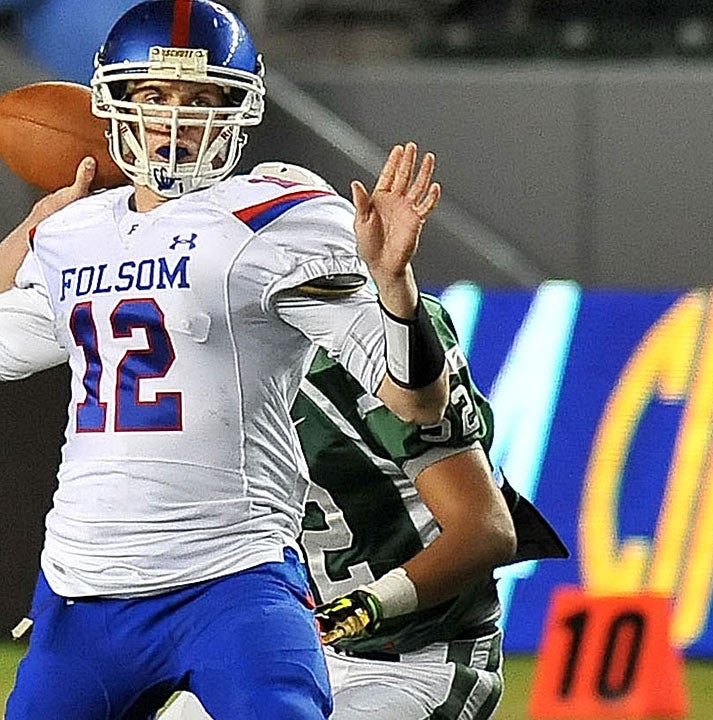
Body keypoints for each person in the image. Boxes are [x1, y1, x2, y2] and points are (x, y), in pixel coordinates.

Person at [0, 1, 450, 717]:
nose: (175, 118)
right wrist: (32, 229)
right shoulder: (76, 237)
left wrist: (395, 287)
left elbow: (418, 401)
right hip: (84, 594)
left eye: (201, 99)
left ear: (237, 109)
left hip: (232, 584)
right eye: (155, 96)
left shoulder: (273, 214)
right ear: (115, 103)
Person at [159, 198, 569, 718]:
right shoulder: (194, 351)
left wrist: (366, 607)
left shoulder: (374, 345)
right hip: (295, 647)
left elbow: (486, 530)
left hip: (420, 659)